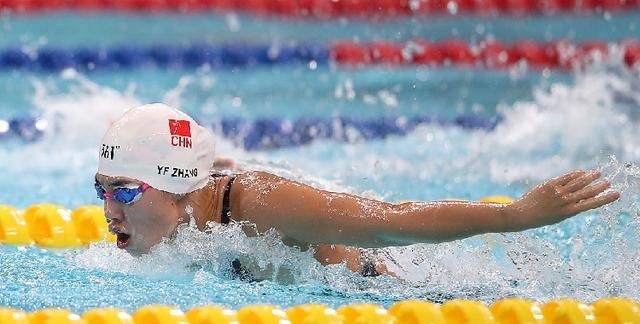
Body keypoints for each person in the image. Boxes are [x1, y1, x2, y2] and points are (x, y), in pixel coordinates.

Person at [95, 103, 620, 278]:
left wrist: (514, 217)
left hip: (381, 293)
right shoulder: (179, 217)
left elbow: (392, 219)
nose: (108, 210)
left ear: (176, 185)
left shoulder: (258, 203)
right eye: (101, 190)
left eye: (123, 192)